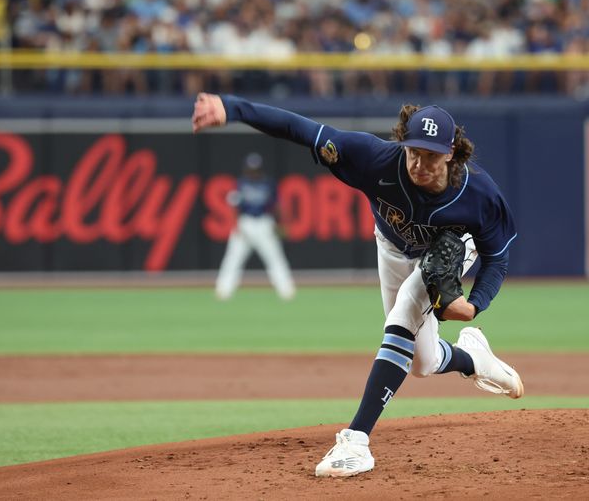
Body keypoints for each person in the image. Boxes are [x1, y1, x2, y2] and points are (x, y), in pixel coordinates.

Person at [191, 92, 523, 478]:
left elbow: (497, 258)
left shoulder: (480, 195)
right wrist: (233, 108)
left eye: (431, 155)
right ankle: (473, 358)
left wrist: (475, 304)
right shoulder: (373, 158)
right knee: (423, 362)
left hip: (448, 252)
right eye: (414, 151)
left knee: (402, 316)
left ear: (451, 152)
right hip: (392, 247)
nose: (420, 163)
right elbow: (301, 129)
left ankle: (356, 440)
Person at [215, 152, 296, 301]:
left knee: (275, 258)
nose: (253, 172)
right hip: (245, 223)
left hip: (264, 223)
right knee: (233, 258)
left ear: (260, 169)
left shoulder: (268, 184)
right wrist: (235, 225)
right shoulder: (241, 184)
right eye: (250, 169)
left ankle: (286, 290)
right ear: (246, 169)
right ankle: (223, 290)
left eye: (255, 169)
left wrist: (281, 224)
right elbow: (234, 206)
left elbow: (277, 206)